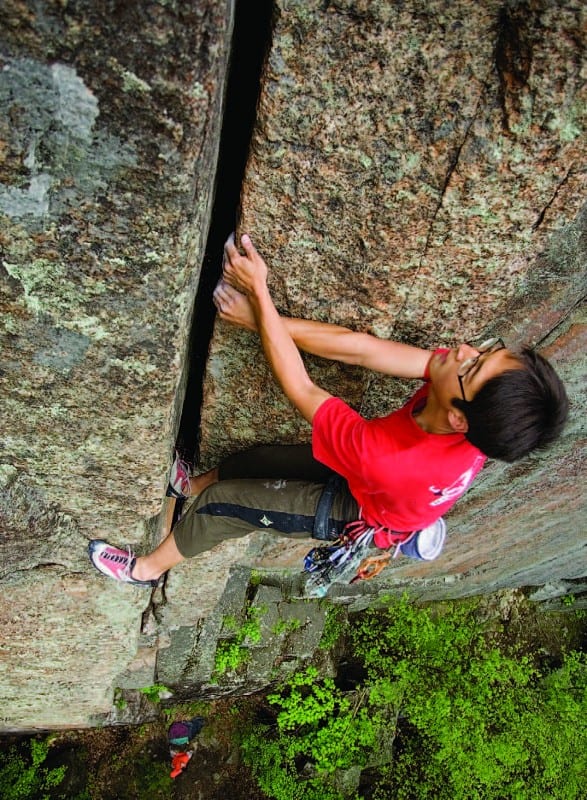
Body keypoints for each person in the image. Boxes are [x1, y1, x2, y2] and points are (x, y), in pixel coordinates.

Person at [88, 233, 569, 586]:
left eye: (474, 365)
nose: (464, 349)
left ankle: (146, 570)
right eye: (484, 350)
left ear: (461, 420)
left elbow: (300, 385)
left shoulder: (391, 454)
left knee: (221, 506)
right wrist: (261, 320)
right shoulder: (468, 408)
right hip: (377, 485)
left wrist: (260, 294)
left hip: (359, 508)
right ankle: (184, 484)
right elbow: (363, 349)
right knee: (258, 461)